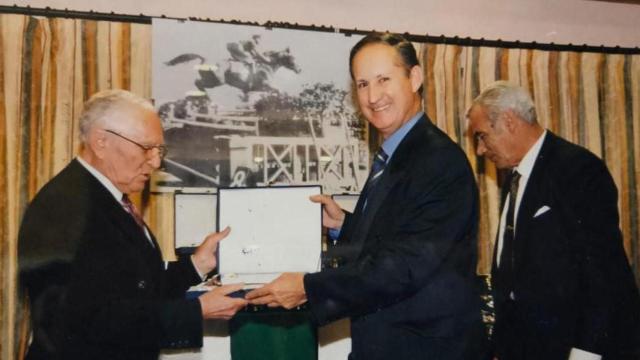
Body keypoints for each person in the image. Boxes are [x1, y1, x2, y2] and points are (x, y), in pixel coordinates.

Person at [246, 33, 487, 359]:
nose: (373, 96)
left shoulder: (439, 161)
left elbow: (403, 267)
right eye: (362, 84)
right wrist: (343, 225)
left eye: (383, 79)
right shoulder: (397, 154)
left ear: (414, 78)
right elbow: (396, 236)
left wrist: (308, 287)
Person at [18, 89, 248, 360]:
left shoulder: (102, 196)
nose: (156, 161)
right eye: (147, 148)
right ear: (101, 142)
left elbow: (134, 287)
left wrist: (196, 265)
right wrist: (194, 312)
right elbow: (83, 321)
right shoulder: (62, 208)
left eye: (159, 149)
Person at [466, 81, 640, 360]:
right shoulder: (515, 178)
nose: (480, 150)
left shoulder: (578, 170)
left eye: (482, 136)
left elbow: (603, 275)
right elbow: (512, 283)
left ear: (509, 121)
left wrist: (584, 355)